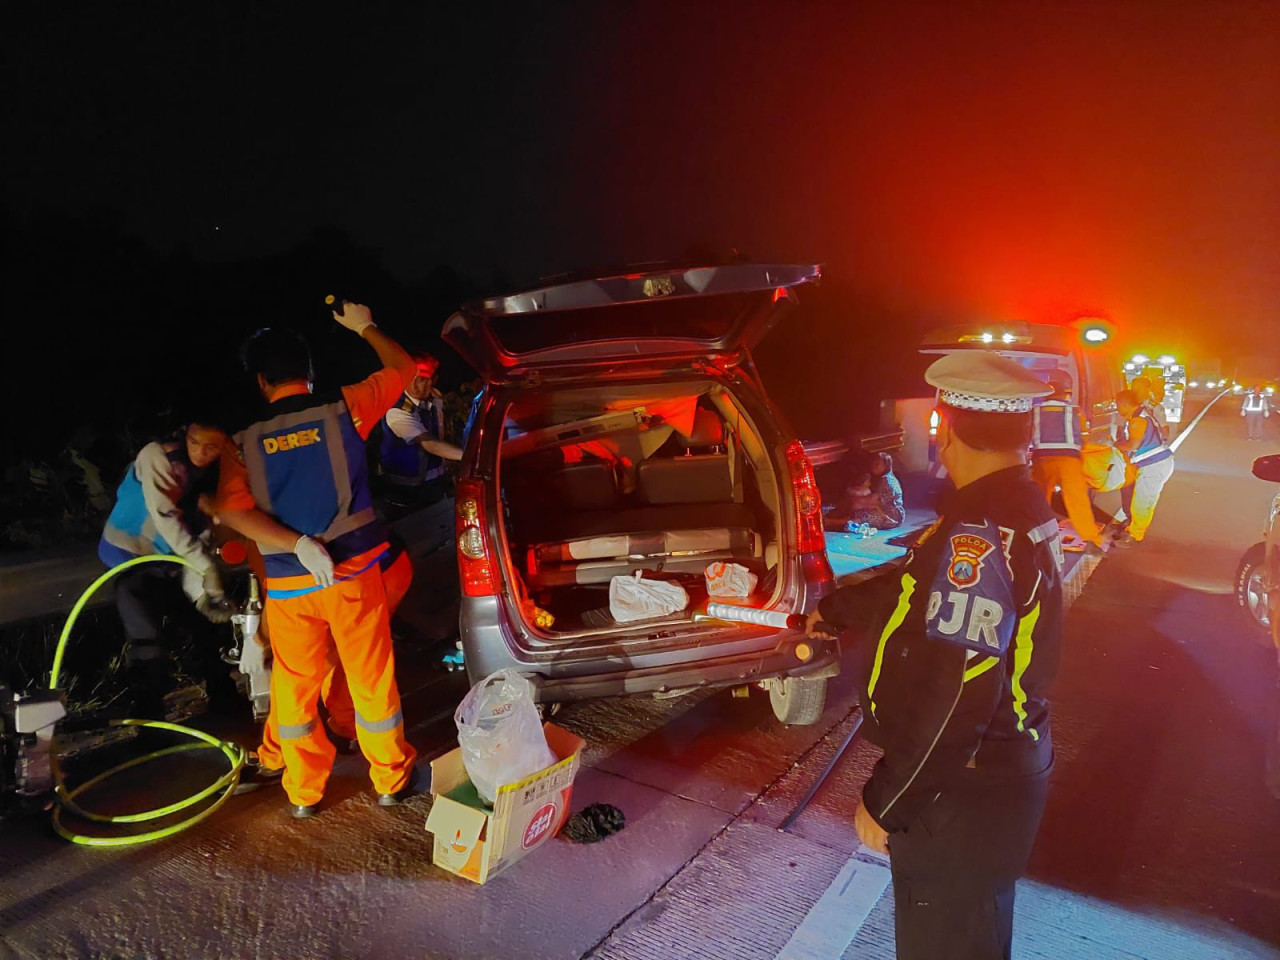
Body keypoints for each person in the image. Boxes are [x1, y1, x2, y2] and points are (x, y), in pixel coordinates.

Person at [808, 351, 1061, 960]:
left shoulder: (977, 531)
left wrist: (891, 798)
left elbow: (958, 686)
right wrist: (833, 611)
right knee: (973, 934)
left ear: (943, 428)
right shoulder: (1015, 509)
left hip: (964, 788)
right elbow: (913, 590)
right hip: (998, 775)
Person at [217, 304, 419, 819]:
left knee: (296, 687)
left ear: (261, 381)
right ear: (309, 374)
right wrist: (364, 326)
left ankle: (304, 792)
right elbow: (404, 370)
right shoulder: (342, 407)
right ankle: (390, 780)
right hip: (353, 577)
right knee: (370, 677)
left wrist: (293, 544)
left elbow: (233, 512)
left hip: (289, 590)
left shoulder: (239, 444)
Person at [98, 418, 234, 718]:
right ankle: (150, 723)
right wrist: (204, 566)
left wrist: (202, 592)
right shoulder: (157, 456)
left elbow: (202, 538)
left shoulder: (215, 476)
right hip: (129, 562)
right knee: (148, 645)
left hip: (171, 565)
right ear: (186, 434)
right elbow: (166, 517)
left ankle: (226, 704)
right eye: (195, 442)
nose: (200, 452)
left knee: (206, 629)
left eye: (211, 447)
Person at [375, 352, 463, 509]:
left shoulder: (436, 400)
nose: (414, 385)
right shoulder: (397, 410)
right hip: (405, 493)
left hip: (436, 484)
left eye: (421, 380)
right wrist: (469, 456)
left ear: (433, 380)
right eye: (410, 378)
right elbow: (429, 444)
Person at [1030, 374, 1103, 555]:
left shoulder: (1034, 410)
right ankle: (1091, 541)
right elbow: (1083, 436)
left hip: (1042, 460)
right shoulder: (1074, 410)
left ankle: (1036, 539)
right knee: (1078, 501)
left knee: (1039, 501)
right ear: (1064, 394)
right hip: (1069, 460)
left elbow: (1027, 436)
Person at [1113, 389, 1175, 546]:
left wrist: (1114, 445)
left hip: (1154, 465)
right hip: (1154, 464)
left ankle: (1134, 536)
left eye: (1118, 404)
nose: (1117, 407)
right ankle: (1132, 527)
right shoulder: (1141, 416)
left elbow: (1133, 444)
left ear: (1125, 404)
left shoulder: (1138, 420)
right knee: (1140, 500)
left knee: (1142, 502)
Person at [826, 449, 905, 531]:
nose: (874, 466)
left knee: (862, 515)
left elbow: (876, 501)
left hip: (891, 517)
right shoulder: (882, 478)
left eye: (878, 464)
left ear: (885, 466)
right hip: (884, 511)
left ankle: (832, 522)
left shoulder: (887, 481)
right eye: (873, 463)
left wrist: (855, 502)